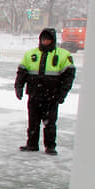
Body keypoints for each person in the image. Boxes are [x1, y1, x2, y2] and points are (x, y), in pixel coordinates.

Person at [14, 27, 75, 155]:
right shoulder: (30, 54)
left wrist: (62, 94)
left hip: (51, 96)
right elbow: (22, 72)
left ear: (53, 40)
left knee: (50, 123)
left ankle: (50, 146)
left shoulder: (63, 55)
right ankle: (32, 144)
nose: (45, 42)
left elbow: (69, 76)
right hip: (35, 94)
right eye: (43, 39)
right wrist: (18, 87)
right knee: (33, 122)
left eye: (47, 39)